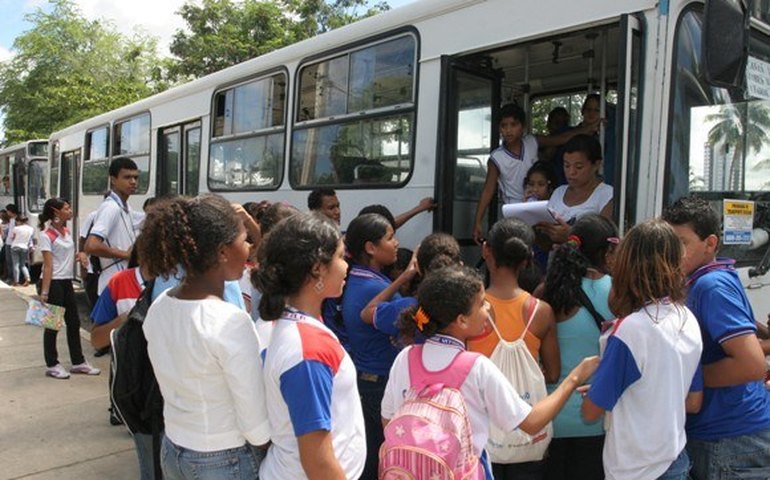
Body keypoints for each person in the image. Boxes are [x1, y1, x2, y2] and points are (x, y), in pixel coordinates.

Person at [381, 265, 599, 479]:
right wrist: (575, 377)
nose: (487, 309)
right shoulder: (476, 367)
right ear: (461, 320)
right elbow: (532, 423)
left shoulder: (405, 358)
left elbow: (389, 421)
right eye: (482, 303)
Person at [139, 194, 270, 480]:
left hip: (173, 449)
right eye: (244, 240)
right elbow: (255, 424)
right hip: (224, 458)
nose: (249, 248)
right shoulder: (230, 321)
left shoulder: (160, 307)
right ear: (222, 252)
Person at [581, 219, 704, 480]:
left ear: (627, 266)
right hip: (675, 459)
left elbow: (591, 411)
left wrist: (597, 385)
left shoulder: (631, 330)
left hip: (637, 470)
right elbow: (692, 401)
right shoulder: (687, 319)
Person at [663, 196, 770, 479]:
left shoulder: (711, 286)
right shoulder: (702, 279)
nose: (671, 254)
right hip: (724, 434)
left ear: (710, 244)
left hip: (729, 439)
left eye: (681, 244)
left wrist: (684, 380)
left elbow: (751, 365)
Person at [254, 212, 365, 480]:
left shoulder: (290, 325)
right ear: (317, 268)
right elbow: (317, 462)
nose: (347, 265)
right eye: (341, 256)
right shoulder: (307, 349)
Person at [467, 218, 559, 479]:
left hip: (482, 433)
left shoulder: (472, 311)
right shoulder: (541, 311)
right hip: (526, 433)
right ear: (527, 259)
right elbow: (553, 373)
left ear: (486, 250)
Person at [541, 214, 619, 480]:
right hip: (596, 419)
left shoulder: (546, 292)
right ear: (607, 252)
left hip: (549, 418)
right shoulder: (618, 293)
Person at [341, 212, 414, 479]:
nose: (396, 243)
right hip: (380, 382)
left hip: (369, 379)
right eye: (390, 238)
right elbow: (409, 321)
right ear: (371, 247)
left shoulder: (363, 279)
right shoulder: (372, 287)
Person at [38, 198, 100, 379]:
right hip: (53, 283)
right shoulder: (46, 235)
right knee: (53, 325)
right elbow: (48, 266)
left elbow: (64, 257)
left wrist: (80, 255)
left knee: (74, 323)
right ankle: (52, 364)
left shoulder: (65, 231)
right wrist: (44, 292)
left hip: (66, 281)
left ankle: (78, 362)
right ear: (56, 211)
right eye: (66, 208)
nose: (70, 210)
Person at [538, 134, 613, 245]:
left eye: (579, 167)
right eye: (567, 166)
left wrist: (572, 236)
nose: (571, 172)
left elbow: (605, 240)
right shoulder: (559, 192)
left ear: (596, 165)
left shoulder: (607, 195)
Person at [84, 157, 142, 295]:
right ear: (113, 180)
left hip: (122, 282)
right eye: (127, 177)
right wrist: (126, 254)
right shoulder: (111, 207)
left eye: (135, 177)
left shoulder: (126, 207)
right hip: (113, 284)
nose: (133, 182)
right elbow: (91, 245)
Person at [10, 214, 34, 286]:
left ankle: (16, 281)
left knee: (15, 264)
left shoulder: (16, 228)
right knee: (23, 265)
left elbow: (13, 238)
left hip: (15, 247)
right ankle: (28, 278)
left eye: (17, 221)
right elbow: (30, 239)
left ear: (19, 221)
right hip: (24, 247)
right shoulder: (31, 229)